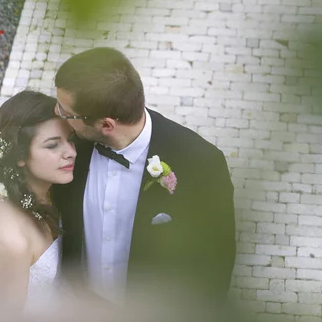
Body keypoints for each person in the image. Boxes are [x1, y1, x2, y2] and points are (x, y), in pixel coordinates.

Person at [51, 47, 236, 306]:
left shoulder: (202, 164)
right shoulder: (67, 144)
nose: (57, 114)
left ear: (106, 125)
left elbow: (216, 262)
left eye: (65, 112)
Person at [0, 90, 77, 314]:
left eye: (70, 139)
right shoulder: (10, 242)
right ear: (19, 156)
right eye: (53, 145)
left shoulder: (20, 187)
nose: (71, 152)